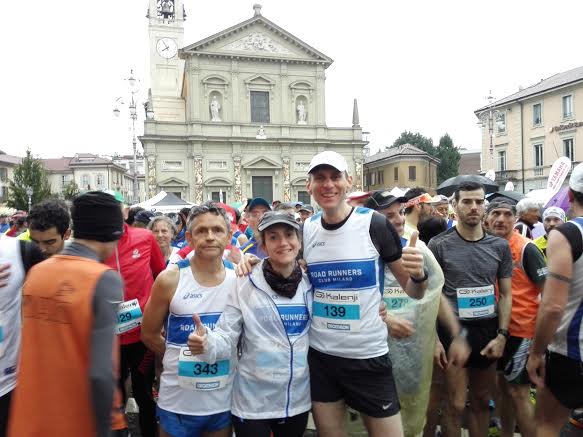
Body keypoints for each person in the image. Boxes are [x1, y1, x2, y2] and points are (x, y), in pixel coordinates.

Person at [302, 151, 428, 437]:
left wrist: (419, 274)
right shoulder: (305, 229)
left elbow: (414, 291)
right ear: (309, 186)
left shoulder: (374, 223)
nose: (328, 185)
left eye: (335, 177)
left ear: (349, 181)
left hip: (367, 357)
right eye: (319, 178)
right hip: (322, 357)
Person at [8, 191, 124, 437]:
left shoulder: (37, 273)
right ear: (114, 233)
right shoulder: (103, 279)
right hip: (76, 420)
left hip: (29, 418)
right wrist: (107, 428)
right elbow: (101, 372)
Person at [189, 211, 312, 437]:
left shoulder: (310, 283)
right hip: (253, 402)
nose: (283, 242)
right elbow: (227, 336)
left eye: (289, 235)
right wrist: (206, 344)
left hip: (296, 399)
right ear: (263, 246)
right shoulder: (245, 282)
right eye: (273, 237)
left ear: (299, 241)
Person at [365, 190, 468, 437]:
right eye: (389, 216)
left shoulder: (416, 248)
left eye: (400, 212)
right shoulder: (359, 254)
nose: (400, 220)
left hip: (410, 352)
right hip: (371, 353)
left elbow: (433, 295)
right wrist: (387, 320)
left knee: (410, 414)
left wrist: (446, 337)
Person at [141, 202, 235, 437]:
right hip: (178, 400)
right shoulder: (169, 279)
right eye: (202, 231)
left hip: (222, 400)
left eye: (217, 230)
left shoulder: (239, 279)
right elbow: (149, 333)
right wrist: (177, 355)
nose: (210, 237)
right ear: (190, 238)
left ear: (229, 236)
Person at [428, 181, 513, 437]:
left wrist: (502, 335)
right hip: (453, 331)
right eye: (467, 201)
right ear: (455, 206)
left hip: (487, 329)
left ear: (484, 207)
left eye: (478, 202)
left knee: (480, 400)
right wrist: (434, 339)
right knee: (453, 404)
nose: (474, 207)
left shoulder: (499, 246)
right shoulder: (439, 244)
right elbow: (431, 296)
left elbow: (507, 294)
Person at [527, 163, 583, 436]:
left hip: (572, 351)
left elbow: (552, 306)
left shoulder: (567, 234)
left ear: (570, 195)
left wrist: (536, 352)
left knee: (546, 425)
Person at [105, 198, 166, 437]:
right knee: (115, 391)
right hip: (110, 338)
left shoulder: (145, 238)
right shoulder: (95, 245)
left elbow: (160, 276)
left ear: (125, 213)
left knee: (143, 391)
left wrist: (159, 318)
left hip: (143, 334)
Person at [486, 201, 546, 437]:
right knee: (502, 391)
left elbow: (547, 292)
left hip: (522, 331)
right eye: (495, 214)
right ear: (487, 218)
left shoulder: (526, 248)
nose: (501, 219)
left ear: (515, 218)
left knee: (519, 393)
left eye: (507, 215)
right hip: (493, 329)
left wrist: (541, 341)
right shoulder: (486, 246)